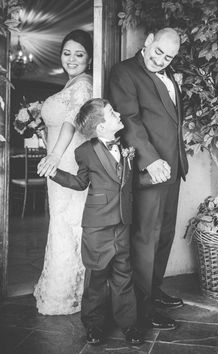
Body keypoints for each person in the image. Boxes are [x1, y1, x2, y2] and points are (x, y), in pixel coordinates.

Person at [109, 28, 189, 329]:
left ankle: (154, 292)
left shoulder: (169, 75)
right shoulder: (124, 72)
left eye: (168, 57)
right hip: (150, 169)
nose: (161, 60)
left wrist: (174, 161)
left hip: (173, 168)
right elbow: (129, 119)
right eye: (158, 52)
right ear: (148, 41)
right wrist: (151, 160)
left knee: (164, 235)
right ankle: (141, 307)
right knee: (145, 239)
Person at [48, 98, 144, 345]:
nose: (118, 112)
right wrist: (54, 173)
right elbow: (81, 183)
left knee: (124, 275)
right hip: (97, 225)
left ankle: (130, 325)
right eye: (112, 112)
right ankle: (94, 326)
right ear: (101, 127)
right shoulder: (85, 152)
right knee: (97, 278)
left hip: (123, 221)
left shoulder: (126, 145)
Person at [33, 30, 93, 315]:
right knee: (61, 222)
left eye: (79, 54)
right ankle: (65, 289)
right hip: (57, 159)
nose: (72, 59)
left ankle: (71, 293)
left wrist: (55, 154)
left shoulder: (83, 85)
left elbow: (71, 121)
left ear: (89, 58)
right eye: (67, 53)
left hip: (68, 161)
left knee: (70, 223)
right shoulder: (71, 83)